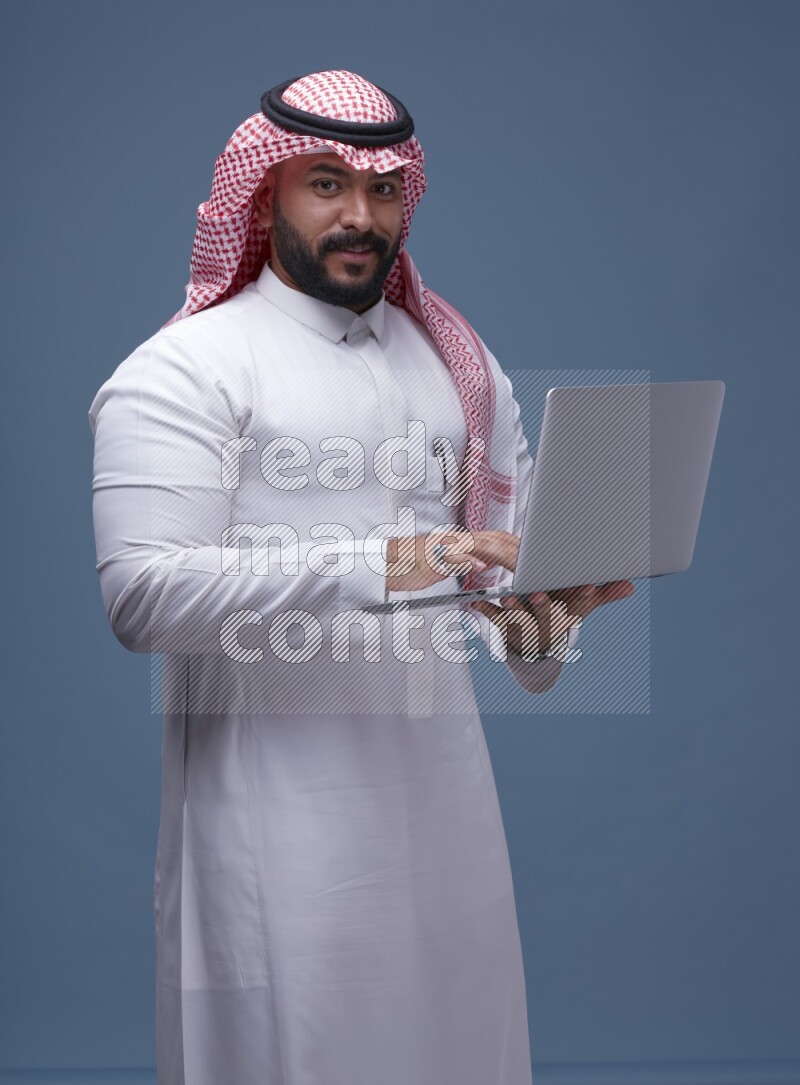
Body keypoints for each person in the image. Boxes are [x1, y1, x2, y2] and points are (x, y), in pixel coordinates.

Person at [89, 70, 633, 1085]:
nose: (359, 213)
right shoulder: (186, 370)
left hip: (447, 815)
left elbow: (493, 596)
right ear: (265, 193)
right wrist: (382, 559)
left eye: (382, 190)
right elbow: (142, 594)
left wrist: (540, 628)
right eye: (326, 183)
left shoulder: (456, 363)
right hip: (275, 825)